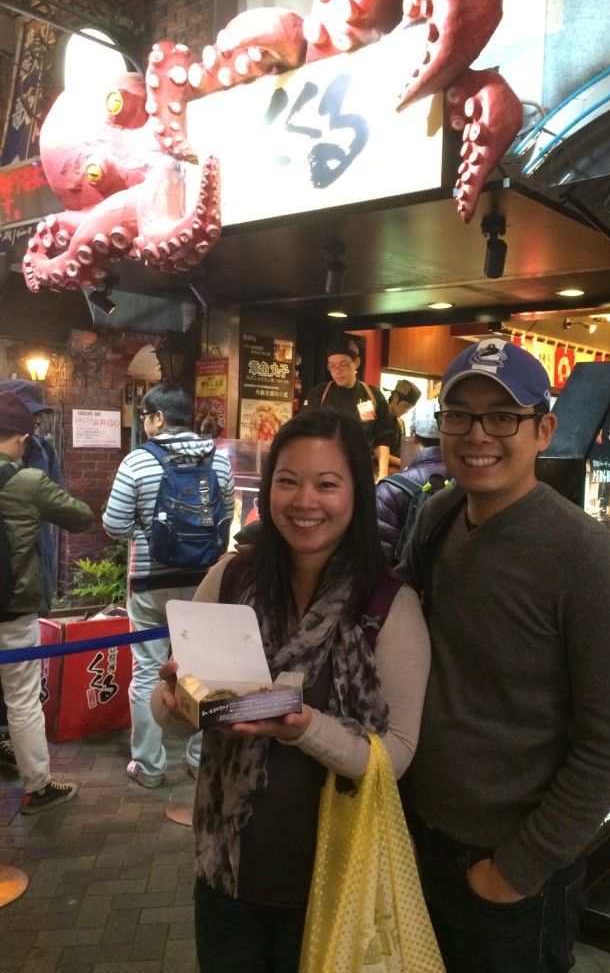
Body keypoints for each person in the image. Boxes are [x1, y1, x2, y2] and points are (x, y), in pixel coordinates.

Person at [397, 338, 610, 973]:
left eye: (503, 416)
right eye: (460, 415)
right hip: (422, 840)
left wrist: (515, 870)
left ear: (544, 430)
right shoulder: (440, 517)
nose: (478, 434)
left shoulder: (587, 559)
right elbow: (384, 626)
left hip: (513, 875)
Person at [152, 408, 430, 973]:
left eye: (327, 484)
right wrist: (174, 699)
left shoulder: (387, 607)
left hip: (336, 884)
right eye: (288, 480)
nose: (305, 501)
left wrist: (305, 728)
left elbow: (396, 753)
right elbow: (174, 715)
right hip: (227, 876)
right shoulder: (230, 579)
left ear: (356, 490)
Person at [103, 382, 235, 789]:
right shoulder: (220, 460)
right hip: (204, 582)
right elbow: (226, 517)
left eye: (146, 416)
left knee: (147, 672)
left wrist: (147, 534)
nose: (145, 424)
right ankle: (198, 759)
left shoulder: (138, 462)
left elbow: (113, 524)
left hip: (150, 582)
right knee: (200, 671)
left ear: (158, 418)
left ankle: (150, 765)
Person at [0, 390, 94, 814]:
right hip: (12, 608)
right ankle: (37, 787)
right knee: (21, 698)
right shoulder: (26, 481)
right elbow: (81, 517)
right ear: (21, 438)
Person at [0, 378, 64, 772]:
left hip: (28, 567)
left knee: (17, 676)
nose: (33, 427)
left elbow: (57, 505)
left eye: (37, 418)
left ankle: (10, 739)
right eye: (28, 417)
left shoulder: (42, 451)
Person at [305, 336, 393, 481]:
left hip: (361, 472)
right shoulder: (318, 395)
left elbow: (382, 439)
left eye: (343, 365)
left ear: (356, 363)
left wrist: (383, 475)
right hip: (323, 471)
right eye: (332, 366)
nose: (337, 371)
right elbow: (305, 435)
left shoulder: (372, 395)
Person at [376, 397, 449, 565]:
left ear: (413, 436)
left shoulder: (390, 489)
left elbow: (380, 560)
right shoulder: (470, 484)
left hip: (405, 588)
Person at [385, 377, 421, 472]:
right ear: (395, 397)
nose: (406, 411)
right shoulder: (377, 417)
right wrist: (401, 462)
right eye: (405, 406)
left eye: (409, 408)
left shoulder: (399, 424)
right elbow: (373, 450)